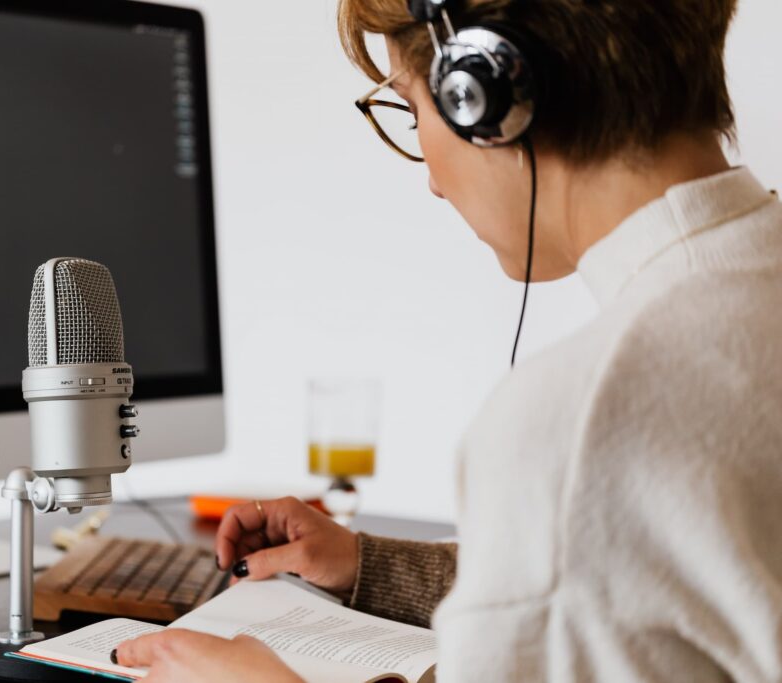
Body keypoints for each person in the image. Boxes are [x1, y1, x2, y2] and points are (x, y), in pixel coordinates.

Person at [116, 0, 782, 680]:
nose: (433, 180)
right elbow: (664, 578)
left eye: (413, 109)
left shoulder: (583, 423)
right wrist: (372, 567)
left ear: (487, 92)